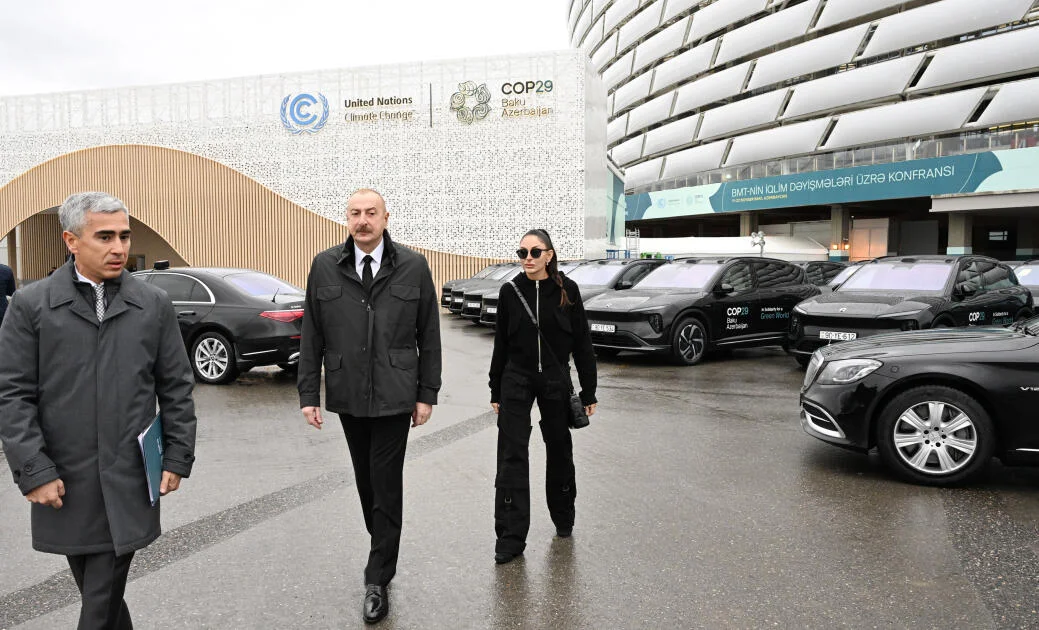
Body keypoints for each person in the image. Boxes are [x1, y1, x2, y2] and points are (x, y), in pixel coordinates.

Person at [0, 192, 197, 630]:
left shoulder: (153, 305)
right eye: (104, 236)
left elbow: (176, 386)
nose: (119, 248)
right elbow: (12, 395)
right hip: (65, 477)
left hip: (129, 472)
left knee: (101, 591)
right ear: (71, 241)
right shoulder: (31, 307)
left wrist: (178, 453)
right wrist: (34, 469)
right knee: (100, 589)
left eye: (124, 236)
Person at [298, 188, 441, 624]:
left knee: (385, 479)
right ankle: (382, 542)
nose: (363, 220)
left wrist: (426, 393)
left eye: (371, 213)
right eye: (355, 213)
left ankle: (377, 576)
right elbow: (312, 335)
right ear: (347, 219)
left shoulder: (413, 267)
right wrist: (308, 395)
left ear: (385, 218)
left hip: (397, 393)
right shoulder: (325, 265)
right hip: (348, 391)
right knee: (366, 482)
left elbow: (429, 334)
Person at [488, 229, 597, 565]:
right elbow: (501, 344)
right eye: (522, 253)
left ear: (550, 254)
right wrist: (495, 388)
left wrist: (588, 390)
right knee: (512, 457)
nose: (528, 259)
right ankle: (510, 537)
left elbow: (582, 343)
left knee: (560, 449)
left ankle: (563, 516)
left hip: (554, 379)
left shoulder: (568, 290)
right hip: (516, 380)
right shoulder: (510, 291)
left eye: (535, 252)